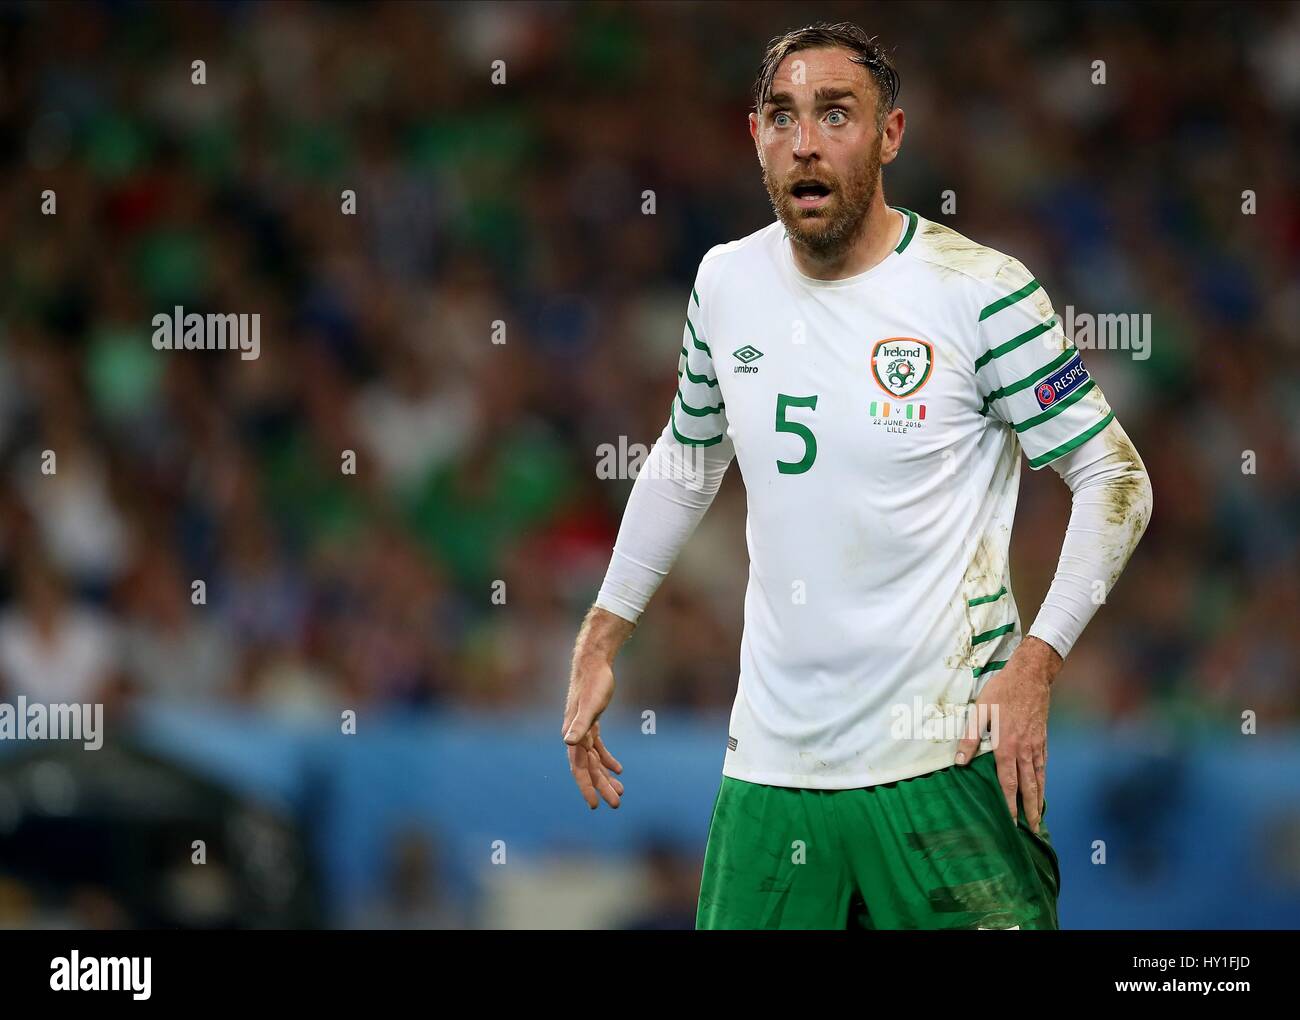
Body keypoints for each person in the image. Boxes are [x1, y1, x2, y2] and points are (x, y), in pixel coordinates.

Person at [562, 21, 1152, 930]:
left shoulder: (979, 291)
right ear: (753, 135)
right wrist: (602, 635)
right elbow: (686, 458)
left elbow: (1115, 476)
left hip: (944, 762)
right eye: (783, 116)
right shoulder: (724, 283)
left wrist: (1037, 663)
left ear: (891, 135)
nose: (806, 141)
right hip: (770, 773)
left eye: (836, 115)